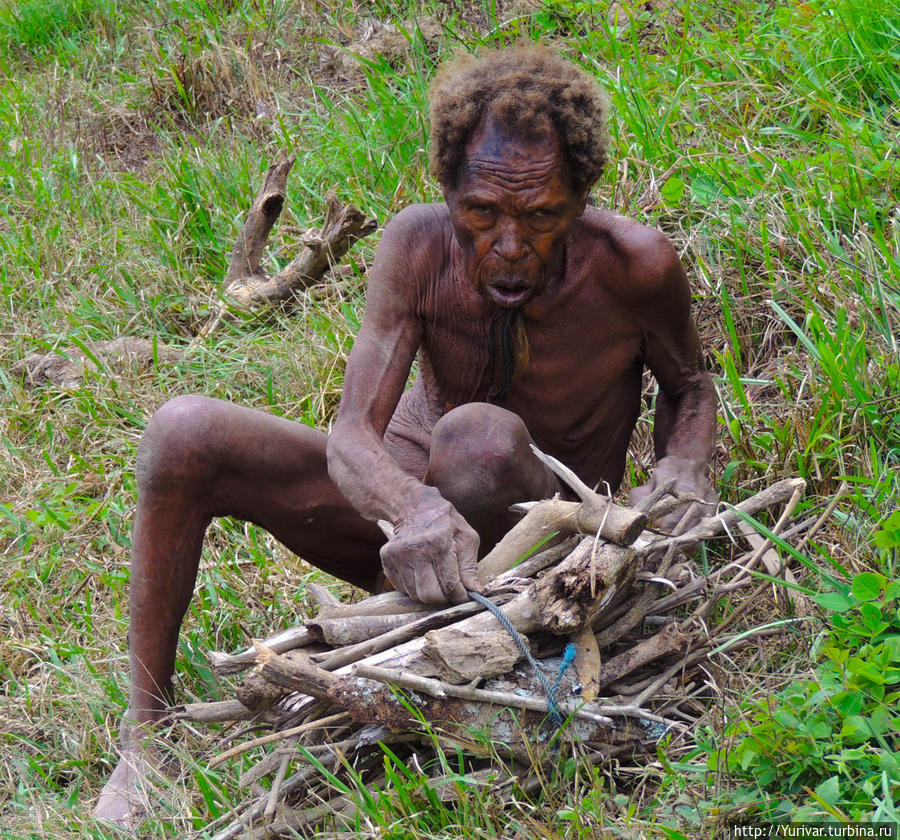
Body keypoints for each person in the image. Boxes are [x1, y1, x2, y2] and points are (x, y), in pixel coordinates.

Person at [93, 44, 716, 827]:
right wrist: (409, 509)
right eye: (482, 213)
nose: (511, 244)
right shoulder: (418, 248)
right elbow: (353, 435)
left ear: (582, 199)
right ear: (447, 190)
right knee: (181, 431)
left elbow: (690, 388)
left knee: (479, 441)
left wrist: (686, 467)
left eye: (542, 215)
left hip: (540, 552)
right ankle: (144, 738)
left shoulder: (635, 267)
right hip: (411, 540)